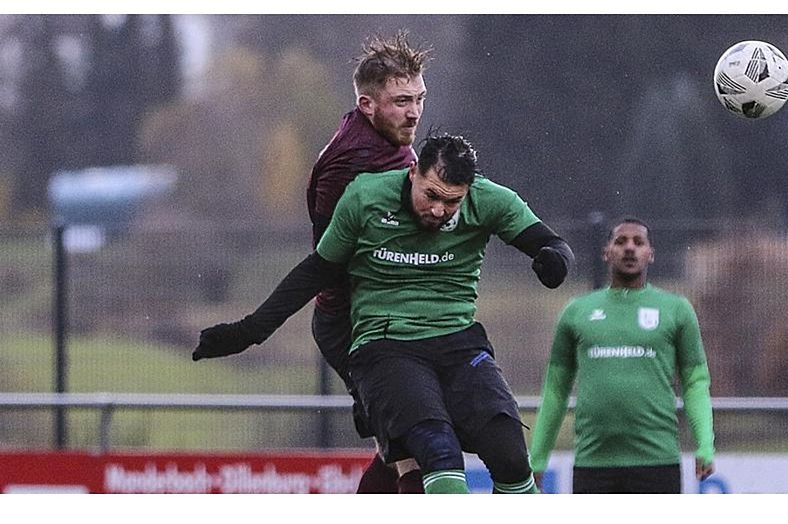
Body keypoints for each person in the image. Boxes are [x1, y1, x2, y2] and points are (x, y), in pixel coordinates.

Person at [192, 134, 574, 494]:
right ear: (413, 173)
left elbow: (553, 244)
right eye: (432, 195)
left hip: (458, 341)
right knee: (437, 450)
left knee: (510, 455)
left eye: (452, 202)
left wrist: (554, 261)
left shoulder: (490, 200)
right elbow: (318, 270)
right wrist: (249, 330)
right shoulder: (365, 197)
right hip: (385, 345)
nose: (440, 210)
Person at [304, 30, 429, 493]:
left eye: (419, 98)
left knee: (399, 445)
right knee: (413, 446)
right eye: (401, 101)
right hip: (353, 323)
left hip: (389, 316)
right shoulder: (351, 160)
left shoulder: (390, 143)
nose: (414, 111)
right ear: (367, 105)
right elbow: (332, 258)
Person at [528, 217, 715, 494]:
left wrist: (705, 444)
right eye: (620, 241)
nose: (630, 248)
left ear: (650, 254)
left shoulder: (676, 310)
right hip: (593, 464)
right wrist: (538, 457)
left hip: (657, 462)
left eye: (638, 242)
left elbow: (695, 382)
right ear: (607, 253)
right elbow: (555, 389)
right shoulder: (577, 312)